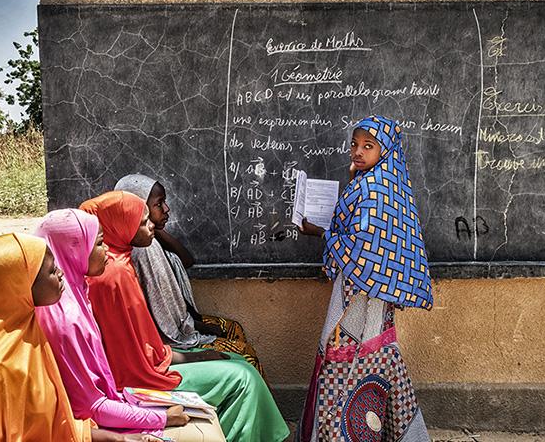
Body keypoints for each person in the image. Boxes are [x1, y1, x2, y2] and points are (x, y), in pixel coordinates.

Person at [80, 191, 289, 442]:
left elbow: (145, 347)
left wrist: (192, 355)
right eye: (143, 221)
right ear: (120, 224)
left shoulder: (121, 260)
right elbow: (134, 362)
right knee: (243, 377)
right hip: (139, 382)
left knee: (239, 361)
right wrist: (195, 355)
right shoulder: (113, 275)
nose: (152, 226)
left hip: (153, 364)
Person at [34, 208, 226, 441]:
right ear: (74, 249)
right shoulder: (66, 318)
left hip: (112, 403)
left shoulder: (76, 294)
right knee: (212, 424)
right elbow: (90, 406)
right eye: (98, 244)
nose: (106, 251)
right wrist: (161, 417)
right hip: (93, 423)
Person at [296, 116, 433, 441]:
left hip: (359, 301)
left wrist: (320, 232)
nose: (358, 151)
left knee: (343, 360)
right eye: (355, 144)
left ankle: (338, 435)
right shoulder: (382, 182)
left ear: (384, 150)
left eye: (367, 146)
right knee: (377, 359)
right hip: (370, 296)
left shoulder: (373, 189)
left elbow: (362, 247)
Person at [0, 233, 155, 442]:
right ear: (18, 285)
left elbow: (50, 427)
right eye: (52, 270)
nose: (61, 272)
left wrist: (116, 439)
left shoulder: (26, 332)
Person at [113, 174, 264, 377]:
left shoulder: (149, 239)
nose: (166, 209)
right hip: (171, 339)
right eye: (159, 204)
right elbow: (162, 318)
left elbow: (186, 259)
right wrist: (196, 329)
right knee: (245, 354)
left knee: (234, 328)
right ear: (140, 207)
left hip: (183, 323)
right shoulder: (143, 250)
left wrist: (152, 227)